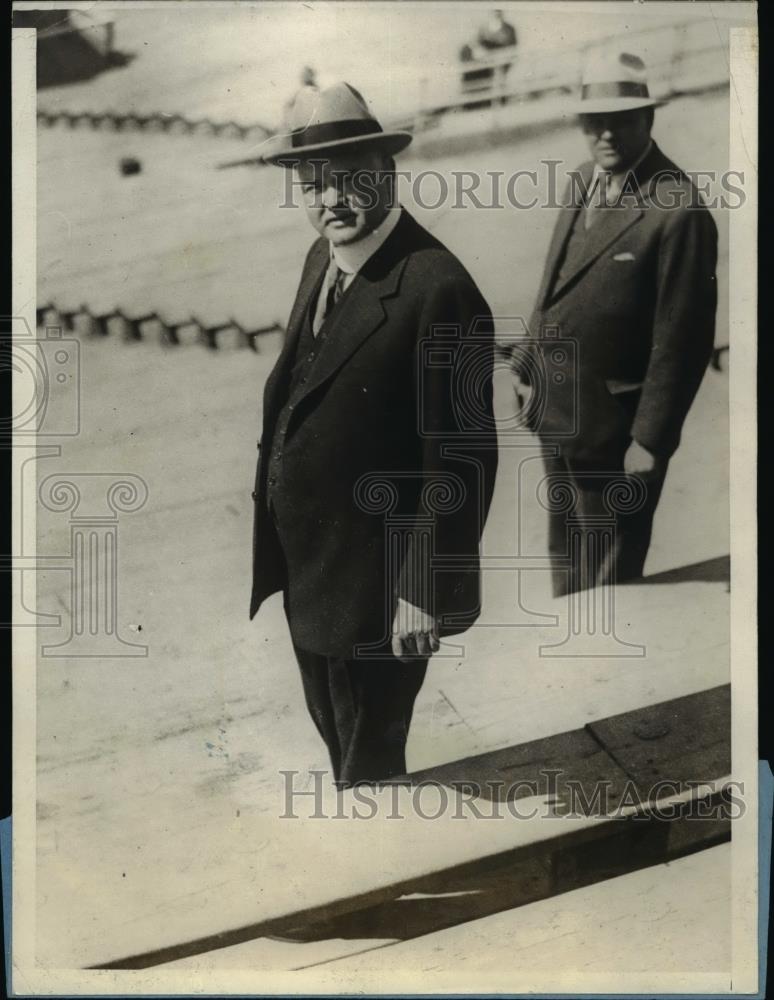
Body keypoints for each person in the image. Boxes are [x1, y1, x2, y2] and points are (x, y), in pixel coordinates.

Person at [252, 83, 498, 786]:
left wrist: (422, 588)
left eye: (349, 179)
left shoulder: (438, 288)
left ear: (386, 173)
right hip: (315, 579)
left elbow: (462, 459)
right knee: (343, 752)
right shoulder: (323, 258)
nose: (330, 199)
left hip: (380, 593)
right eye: (312, 184)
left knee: (372, 772)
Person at [520, 51, 717, 596]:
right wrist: (527, 363)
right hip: (559, 411)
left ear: (648, 118)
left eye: (622, 120)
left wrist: (650, 441)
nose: (606, 133)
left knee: (609, 583)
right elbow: (555, 281)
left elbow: (682, 339)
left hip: (617, 432)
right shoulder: (584, 180)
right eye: (594, 121)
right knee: (565, 563)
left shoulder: (678, 209)